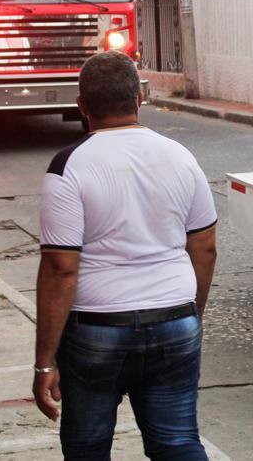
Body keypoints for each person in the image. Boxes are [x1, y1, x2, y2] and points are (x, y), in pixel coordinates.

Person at [33, 51, 218, 460]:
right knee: (177, 442)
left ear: (82, 106)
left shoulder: (68, 167)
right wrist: (193, 314)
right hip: (174, 319)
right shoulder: (181, 157)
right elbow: (204, 247)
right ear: (139, 98)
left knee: (87, 447)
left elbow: (61, 270)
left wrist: (44, 363)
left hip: (96, 330)